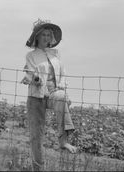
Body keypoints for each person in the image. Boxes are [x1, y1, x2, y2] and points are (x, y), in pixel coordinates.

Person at [21, 19, 77, 171]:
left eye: (48, 35)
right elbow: (31, 74)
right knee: (36, 134)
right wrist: (34, 79)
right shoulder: (31, 55)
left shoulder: (56, 54)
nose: (46, 37)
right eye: (43, 34)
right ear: (37, 37)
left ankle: (63, 141)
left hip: (53, 93)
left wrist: (63, 89)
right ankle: (38, 167)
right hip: (36, 96)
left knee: (62, 97)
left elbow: (63, 74)